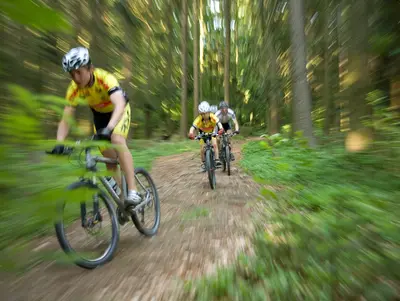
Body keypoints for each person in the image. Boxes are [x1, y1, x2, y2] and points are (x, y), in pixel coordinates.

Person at [50, 46, 141, 206]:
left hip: (119, 110)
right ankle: (122, 195)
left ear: (90, 68)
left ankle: (133, 191)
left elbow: (120, 103)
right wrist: (59, 142)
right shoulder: (74, 89)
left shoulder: (104, 78)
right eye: (72, 74)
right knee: (109, 160)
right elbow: (66, 118)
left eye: (79, 72)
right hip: (99, 116)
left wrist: (110, 128)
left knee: (117, 140)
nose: (76, 78)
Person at [188, 101, 224, 172]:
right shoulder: (199, 119)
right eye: (202, 114)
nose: (204, 115)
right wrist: (191, 133)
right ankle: (204, 163)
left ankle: (217, 160)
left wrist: (221, 129)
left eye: (206, 113)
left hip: (212, 131)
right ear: (200, 114)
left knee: (214, 144)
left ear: (209, 112)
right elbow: (193, 127)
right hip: (202, 133)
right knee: (202, 148)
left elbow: (218, 123)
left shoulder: (212, 116)